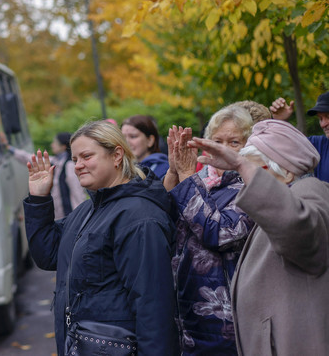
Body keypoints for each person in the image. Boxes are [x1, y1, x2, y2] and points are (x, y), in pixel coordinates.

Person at [24, 120, 178, 355]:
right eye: (75, 159)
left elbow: (153, 307)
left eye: (86, 156)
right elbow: (49, 254)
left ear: (116, 155)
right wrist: (38, 200)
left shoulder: (139, 216)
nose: (78, 166)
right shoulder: (89, 209)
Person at [187, 119, 329, 355]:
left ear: (287, 170)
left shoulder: (309, 189)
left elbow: (301, 235)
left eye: (258, 170)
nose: (248, 180)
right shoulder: (284, 198)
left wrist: (242, 164)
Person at [164, 104, 255, 355]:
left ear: (249, 145)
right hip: (183, 311)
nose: (224, 148)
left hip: (223, 322)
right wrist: (173, 170)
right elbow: (163, 220)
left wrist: (184, 175)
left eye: (234, 141)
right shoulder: (197, 179)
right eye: (217, 140)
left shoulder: (252, 186)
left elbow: (220, 234)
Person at [2, 132, 86, 220]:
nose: (52, 145)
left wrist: (80, 218)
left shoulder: (70, 166)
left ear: (63, 147)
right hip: (60, 217)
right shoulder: (55, 161)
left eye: (55, 143)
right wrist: (9, 148)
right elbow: (28, 158)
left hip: (71, 217)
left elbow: (78, 194)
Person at [270, 92, 329, 182]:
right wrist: (280, 122)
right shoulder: (319, 145)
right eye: (320, 119)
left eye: (328, 116)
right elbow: (280, 147)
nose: (323, 124)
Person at [121, 114, 169, 179]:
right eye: (122, 138)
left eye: (133, 136)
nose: (126, 142)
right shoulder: (123, 170)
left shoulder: (164, 170)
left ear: (150, 140)